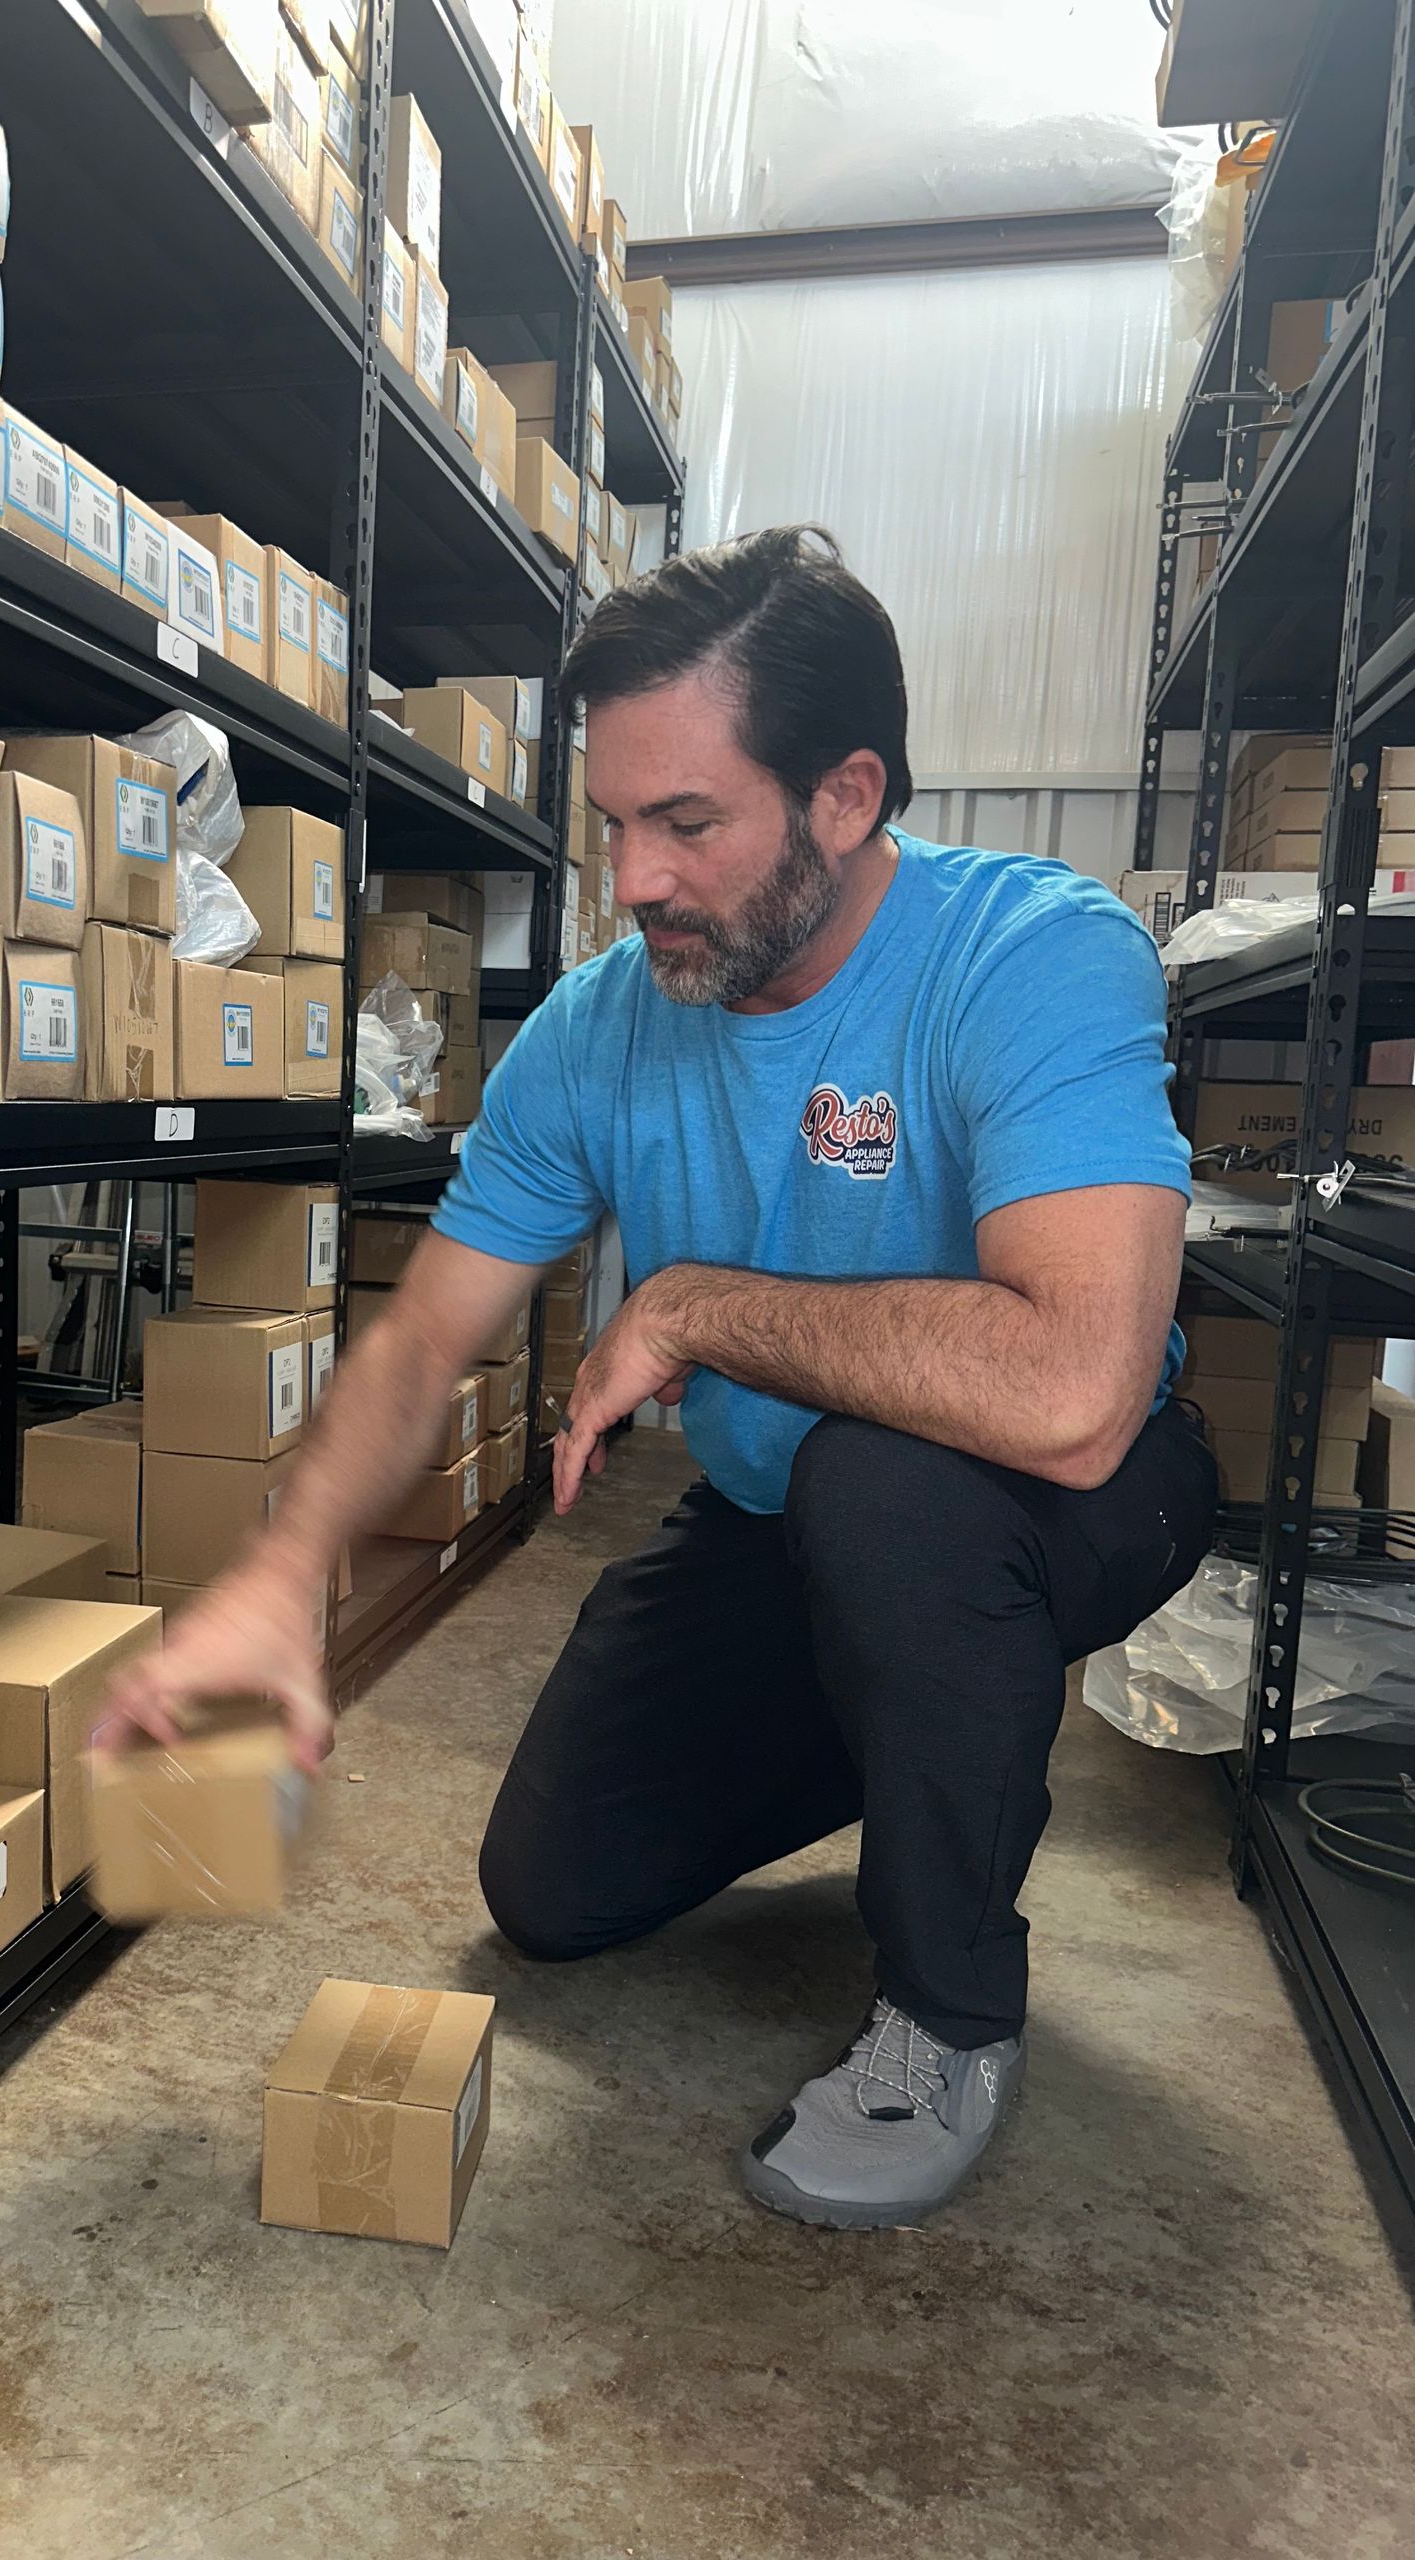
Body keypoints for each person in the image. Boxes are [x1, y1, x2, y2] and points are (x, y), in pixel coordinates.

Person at [106, 525, 1217, 2230]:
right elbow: (424, 1339)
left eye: (685, 823)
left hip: (1081, 1491)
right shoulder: (604, 1023)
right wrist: (278, 1574)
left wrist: (694, 1306)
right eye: (613, 824)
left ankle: (947, 2017)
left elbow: (1074, 1388)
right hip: (797, 1515)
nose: (630, 879)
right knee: (552, 1887)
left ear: (846, 795)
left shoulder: (1033, 958)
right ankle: (916, 1709)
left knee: (891, 1491)